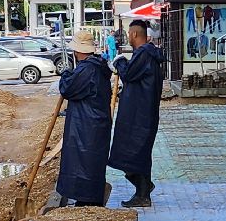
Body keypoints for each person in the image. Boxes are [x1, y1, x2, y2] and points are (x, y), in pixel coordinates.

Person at [108, 19, 164, 208]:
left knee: (132, 154)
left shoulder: (144, 55)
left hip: (139, 116)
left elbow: (129, 74)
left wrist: (121, 62)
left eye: (129, 34)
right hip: (142, 113)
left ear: (134, 34)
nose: (128, 38)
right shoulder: (148, 55)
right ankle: (143, 189)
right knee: (136, 154)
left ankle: (143, 192)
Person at [56, 28, 113, 207]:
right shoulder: (97, 66)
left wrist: (66, 74)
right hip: (94, 123)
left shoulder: (87, 70)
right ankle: (89, 199)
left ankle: (87, 201)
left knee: (84, 163)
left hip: (86, 126)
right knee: (92, 163)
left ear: (77, 51)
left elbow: (67, 88)